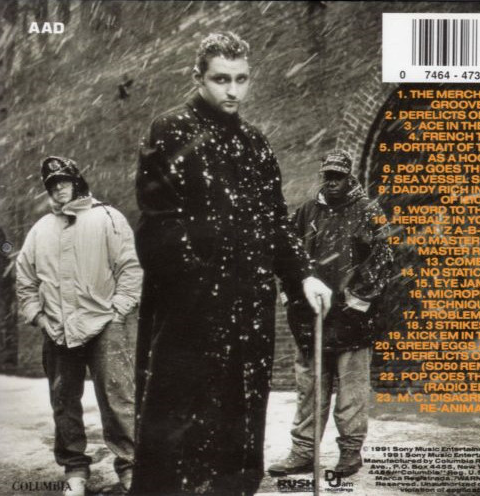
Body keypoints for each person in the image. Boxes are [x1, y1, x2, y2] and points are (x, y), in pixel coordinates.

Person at [132, 32, 332, 496]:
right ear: (198, 77)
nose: (233, 91)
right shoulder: (170, 130)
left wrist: (304, 275)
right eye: (221, 79)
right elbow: (159, 227)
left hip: (249, 317)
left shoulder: (255, 144)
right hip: (189, 315)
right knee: (179, 429)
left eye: (241, 79)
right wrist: (202, 290)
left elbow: (276, 222)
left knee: (238, 430)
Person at [16, 156, 142, 496]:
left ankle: (131, 468)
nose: (58, 188)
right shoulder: (41, 230)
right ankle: (75, 470)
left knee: (118, 399)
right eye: (52, 185)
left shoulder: (108, 218)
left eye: (64, 181)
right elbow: (25, 281)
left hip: (105, 325)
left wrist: (118, 310)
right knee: (64, 402)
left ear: (77, 183)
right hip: (57, 330)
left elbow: (130, 269)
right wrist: (39, 317)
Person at [268, 150, 393, 478]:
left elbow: (384, 257)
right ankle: (303, 452)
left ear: (349, 177)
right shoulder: (307, 211)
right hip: (312, 318)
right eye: (328, 175)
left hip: (352, 321)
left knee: (351, 393)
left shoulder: (367, 211)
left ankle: (350, 453)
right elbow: (288, 255)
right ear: (322, 175)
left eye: (338, 176)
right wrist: (292, 296)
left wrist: (357, 299)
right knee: (309, 389)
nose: (333, 182)